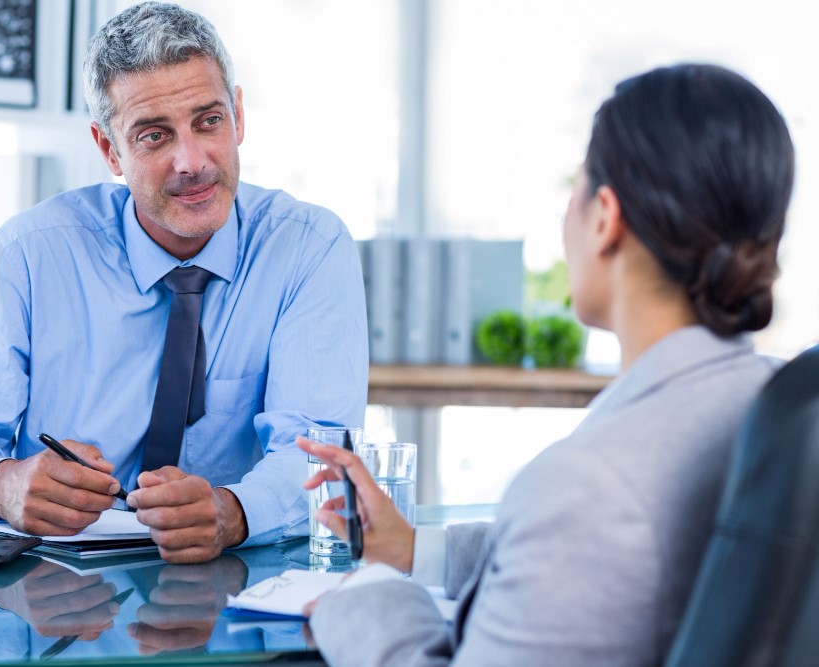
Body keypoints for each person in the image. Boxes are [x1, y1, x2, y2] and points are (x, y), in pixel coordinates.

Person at [301, 63, 795, 666]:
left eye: (575, 190)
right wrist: (414, 549)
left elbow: (587, 528)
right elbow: (589, 558)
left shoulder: (588, 485)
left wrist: (364, 598)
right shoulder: (778, 404)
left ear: (605, 217)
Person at [0, 1, 367, 564]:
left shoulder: (307, 247)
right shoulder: (30, 253)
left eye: (209, 121)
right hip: (58, 592)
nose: (191, 161)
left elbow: (322, 454)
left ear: (238, 117)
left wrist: (233, 511)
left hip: (240, 581)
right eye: (154, 135)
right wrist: (1, 484)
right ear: (109, 149)